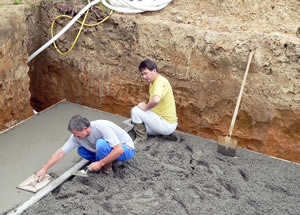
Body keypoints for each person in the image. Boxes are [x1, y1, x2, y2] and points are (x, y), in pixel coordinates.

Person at [36, 115, 135, 180]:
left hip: (126, 149)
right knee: (81, 150)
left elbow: (119, 149)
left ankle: (106, 169)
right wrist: (45, 168)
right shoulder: (76, 136)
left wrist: (100, 163)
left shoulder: (101, 127)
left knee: (101, 144)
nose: (74, 136)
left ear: (85, 129)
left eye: (76, 134)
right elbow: (61, 152)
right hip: (110, 149)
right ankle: (108, 161)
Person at [131, 59, 178, 143]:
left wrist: (145, 107)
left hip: (166, 124)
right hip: (162, 121)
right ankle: (163, 133)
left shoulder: (160, 82)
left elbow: (156, 100)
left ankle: (141, 138)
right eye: (142, 74)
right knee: (139, 125)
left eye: (146, 73)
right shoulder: (153, 82)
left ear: (154, 70)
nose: (144, 77)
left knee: (135, 111)